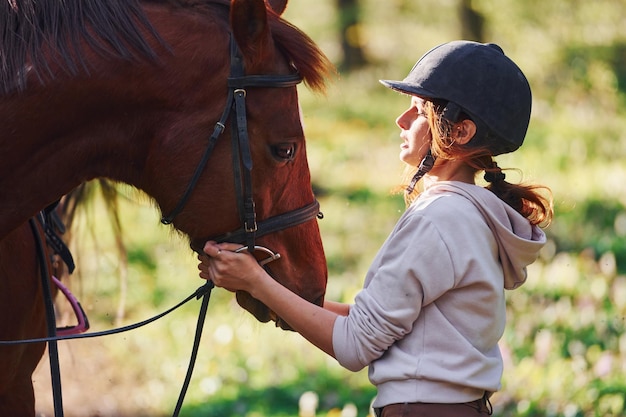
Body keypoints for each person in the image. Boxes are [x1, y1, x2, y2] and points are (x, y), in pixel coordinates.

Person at [198, 40, 553, 417]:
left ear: (461, 132)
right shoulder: (471, 214)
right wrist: (265, 289)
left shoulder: (441, 217)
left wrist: (255, 282)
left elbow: (355, 346)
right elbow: (368, 320)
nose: (401, 121)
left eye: (418, 111)